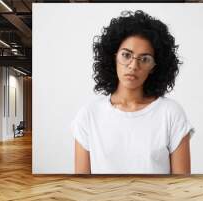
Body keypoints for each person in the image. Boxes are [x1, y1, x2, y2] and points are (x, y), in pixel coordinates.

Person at [71, 10, 194, 174]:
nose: (133, 66)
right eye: (126, 55)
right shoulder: (89, 115)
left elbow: (182, 187)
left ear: (154, 67)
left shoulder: (171, 113)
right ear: (113, 56)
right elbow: (81, 187)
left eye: (145, 59)